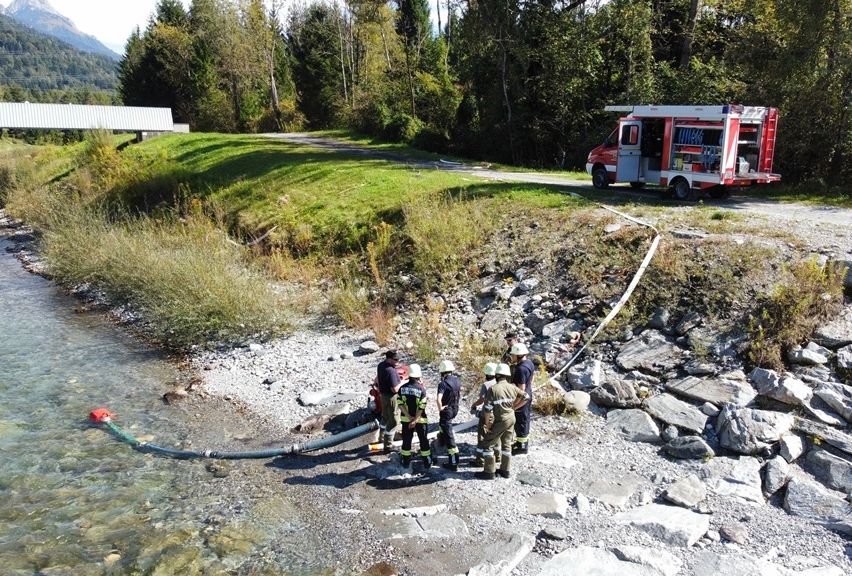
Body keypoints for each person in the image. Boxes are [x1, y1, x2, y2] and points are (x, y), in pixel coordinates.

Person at [475, 363, 529, 480]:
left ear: (497, 375)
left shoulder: (493, 389)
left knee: (488, 444)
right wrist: (515, 406)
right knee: (506, 444)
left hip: (501, 419)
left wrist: (488, 424)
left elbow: (488, 409)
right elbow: (526, 396)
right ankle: (505, 470)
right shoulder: (512, 387)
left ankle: (489, 472)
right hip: (511, 418)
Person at [397, 363, 431, 468]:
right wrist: (415, 420)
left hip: (406, 419)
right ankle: (427, 461)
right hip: (420, 420)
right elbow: (422, 407)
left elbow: (400, 404)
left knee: (407, 440)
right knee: (423, 440)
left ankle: (405, 461)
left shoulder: (401, 389)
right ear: (419, 376)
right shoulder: (421, 390)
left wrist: (409, 418)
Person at [436, 359, 462, 471]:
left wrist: (440, 408)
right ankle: (441, 441)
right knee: (442, 426)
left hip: (447, 410)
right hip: (455, 409)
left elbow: (438, 399)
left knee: (449, 434)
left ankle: (454, 461)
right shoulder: (457, 381)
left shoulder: (443, 384)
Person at [470, 362, 497, 467]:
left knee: (482, 437)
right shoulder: (499, 383)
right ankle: (497, 457)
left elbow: (481, 400)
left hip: (486, 414)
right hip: (497, 414)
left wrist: (473, 405)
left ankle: (480, 461)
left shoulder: (486, 385)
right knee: (495, 437)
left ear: (487, 374)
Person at [510, 342, 535, 455]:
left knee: (521, 422)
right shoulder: (529, 363)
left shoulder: (520, 369)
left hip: (523, 399)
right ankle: (521, 443)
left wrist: (515, 405)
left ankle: (522, 447)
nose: (511, 357)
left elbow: (521, 390)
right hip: (528, 395)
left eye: (513, 355)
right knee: (524, 420)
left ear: (518, 355)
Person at [377, 350, 402, 453]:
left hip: (383, 396)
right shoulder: (391, 371)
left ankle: (381, 437)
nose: (397, 362)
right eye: (395, 360)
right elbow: (395, 389)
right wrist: (403, 383)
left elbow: (378, 379)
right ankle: (388, 445)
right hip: (392, 398)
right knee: (394, 420)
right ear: (389, 358)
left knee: (385, 417)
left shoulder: (380, 365)